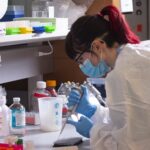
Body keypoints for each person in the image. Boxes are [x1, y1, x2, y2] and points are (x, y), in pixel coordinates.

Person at [65, 5, 150, 150]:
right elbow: (128, 120)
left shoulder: (123, 73)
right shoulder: (135, 55)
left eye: (81, 60)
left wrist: (94, 132)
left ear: (97, 46)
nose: (82, 67)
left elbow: (129, 145)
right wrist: (95, 111)